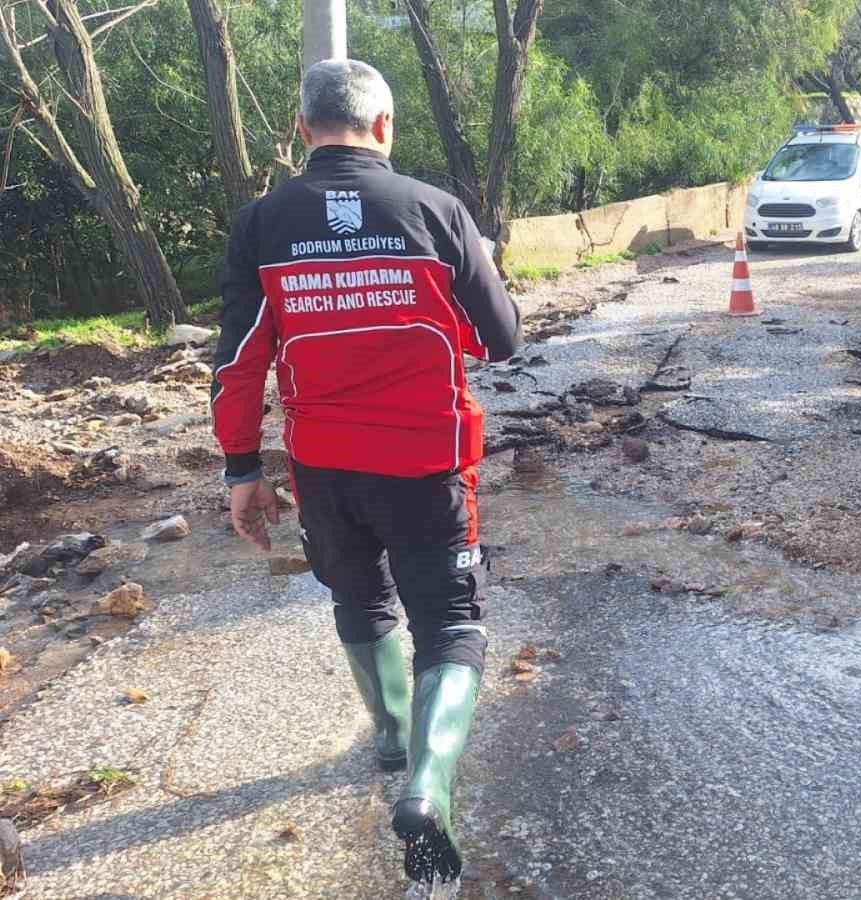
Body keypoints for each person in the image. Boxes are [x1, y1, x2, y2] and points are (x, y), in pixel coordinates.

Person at [209, 58, 520, 887]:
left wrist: (243, 470)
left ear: (303, 129)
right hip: (427, 468)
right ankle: (427, 782)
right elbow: (500, 340)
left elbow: (238, 363)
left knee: (359, 596)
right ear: (384, 128)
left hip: (324, 474)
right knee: (450, 624)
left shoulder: (262, 223)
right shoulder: (437, 211)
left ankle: (389, 738)